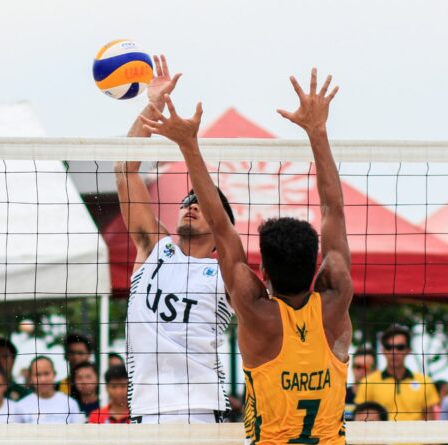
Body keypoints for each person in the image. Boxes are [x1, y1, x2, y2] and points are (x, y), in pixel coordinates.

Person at [140, 68, 353, 443]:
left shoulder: (258, 315)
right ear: (318, 266)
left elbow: (223, 229)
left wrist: (189, 146)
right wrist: (317, 131)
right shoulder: (335, 306)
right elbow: (334, 210)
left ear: (264, 272)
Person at [115, 54, 235, 424]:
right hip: (145, 411)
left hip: (200, 410)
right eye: (187, 200)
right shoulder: (155, 247)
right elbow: (124, 168)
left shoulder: (228, 272)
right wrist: (152, 105)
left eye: (200, 204)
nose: (190, 205)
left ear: (219, 224)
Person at [355, 325, 440, 420]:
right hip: (382, 434)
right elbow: (361, 419)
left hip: (415, 434)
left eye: (400, 347)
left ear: (408, 350)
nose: (394, 352)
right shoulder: (368, 382)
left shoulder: (425, 382)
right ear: (383, 350)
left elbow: (430, 420)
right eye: (389, 347)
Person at [18, 356, 85, 424]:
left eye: (46, 373)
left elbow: (77, 433)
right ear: (31, 378)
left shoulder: (70, 403)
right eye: (38, 375)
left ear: (54, 374)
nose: (43, 379)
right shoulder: (20, 406)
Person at [57, 332, 93, 401]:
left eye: (80, 353)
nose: (76, 357)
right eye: (72, 352)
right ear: (65, 356)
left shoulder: (101, 385)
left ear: (89, 355)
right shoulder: (58, 387)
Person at [346, 346, 376, 419]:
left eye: (367, 367)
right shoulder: (341, 396)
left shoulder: (380, 397)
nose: (362, 371)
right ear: (352, 368)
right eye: (358, 367)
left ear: (375, 370)